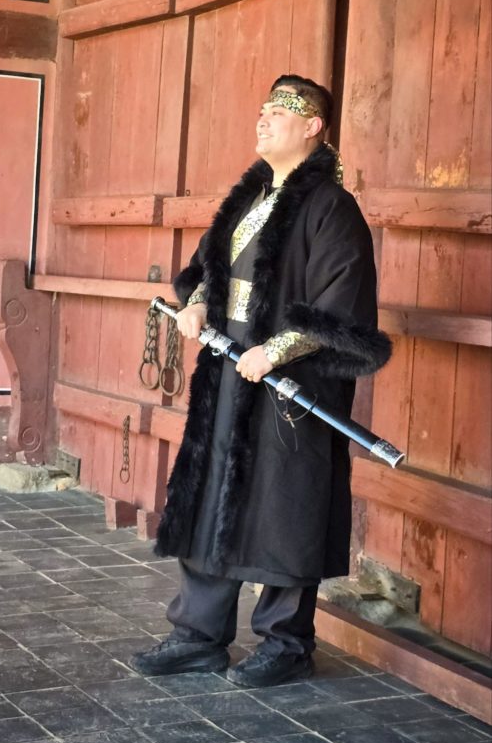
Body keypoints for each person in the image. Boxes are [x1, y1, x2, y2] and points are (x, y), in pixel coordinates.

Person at [131, 74, 391, 687]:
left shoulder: (332, 208)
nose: (264, 118)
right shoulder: (247, 199)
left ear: (313, 126)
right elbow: (207, 268)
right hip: (227, 375)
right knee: (210, 489)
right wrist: (197, 301)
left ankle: (286, 643)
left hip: (292, 387)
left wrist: (275, 351)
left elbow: (342, 307)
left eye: (280, 111)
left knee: (286, 505)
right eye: (263, 109)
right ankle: (198, 635)